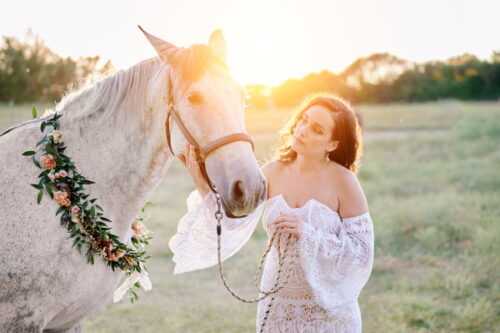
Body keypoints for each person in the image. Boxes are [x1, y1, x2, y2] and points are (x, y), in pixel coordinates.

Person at [169, 94, 375, 332]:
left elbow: (362, 254)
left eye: (317, 129)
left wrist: (306, 233)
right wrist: (199, 179)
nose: (303, 130)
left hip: (328, 313)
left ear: (332, 144)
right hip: (278, 306)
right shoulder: (272, 172)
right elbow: (231, 218)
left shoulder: (344, 182)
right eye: (303, 120)